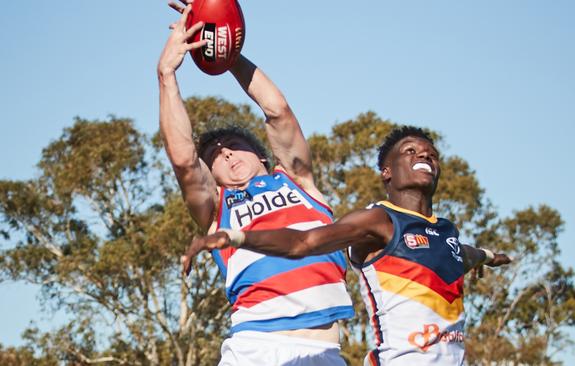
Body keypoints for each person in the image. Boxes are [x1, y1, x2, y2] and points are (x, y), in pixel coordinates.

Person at [183, 126, 512, 365]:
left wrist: (486, 255)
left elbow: (459, 254)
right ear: (386, 172)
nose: (424, 154)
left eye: (430, 153)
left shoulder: (445, 233)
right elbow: (304, 242)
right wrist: (237, 236)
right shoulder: (377, 221)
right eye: (410, 151)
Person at [158, 3, 354, 365]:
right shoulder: (219, 208)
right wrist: (167, 74)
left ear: (263, 156)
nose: (227, 154)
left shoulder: (297, 181)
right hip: (255, 346)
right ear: (212, 176)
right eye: (215, 155)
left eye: (234, 146)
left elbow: (277, 110)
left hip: (324, 349)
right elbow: (185, 160)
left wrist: (227, 53)